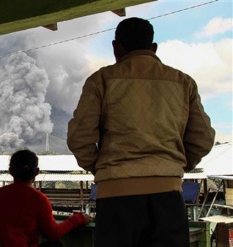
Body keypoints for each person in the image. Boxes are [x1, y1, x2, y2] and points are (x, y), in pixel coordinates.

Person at [67, 17, 215, 247]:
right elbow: (203, 138)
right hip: (168, 196)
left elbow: (79, 138)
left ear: (116, 47)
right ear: (153, 48)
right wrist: (174, 166)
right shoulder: (183, 82)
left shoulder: (101, 80)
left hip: (115, 197)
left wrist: (102, 168)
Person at [0, 149, 93, 247]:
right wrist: (78, 219)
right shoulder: (38, 199)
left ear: (11, 171)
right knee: (54, 245)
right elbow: (53, 233)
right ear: (37, 172)